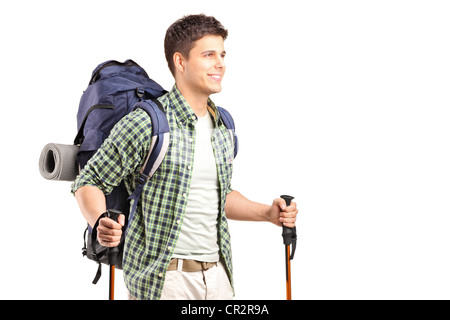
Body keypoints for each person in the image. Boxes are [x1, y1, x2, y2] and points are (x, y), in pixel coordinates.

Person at [71, 14, 298, 300]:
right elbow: (89, 179)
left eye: (222, 54)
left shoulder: (223, 124)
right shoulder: (147, 122)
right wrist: (100, 219)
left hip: (218, 277)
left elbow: (219, 195)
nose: (220, 64)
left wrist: (268, 213)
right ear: (181, 62)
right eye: (209, 54)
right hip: (163, 282)